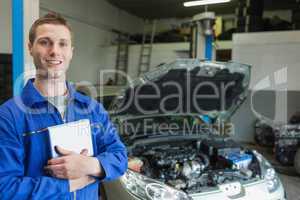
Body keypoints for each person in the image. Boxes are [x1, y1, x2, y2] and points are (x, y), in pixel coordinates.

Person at [0, 12, 127, 199]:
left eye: (62, 43)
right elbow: (5, 188)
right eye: (45, 42)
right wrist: (72, 183)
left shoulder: (92, 108)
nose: (54, 51)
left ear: (71, 51)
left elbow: (120, 157)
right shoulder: (10, 116)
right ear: (30, 48)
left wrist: (90, 166)